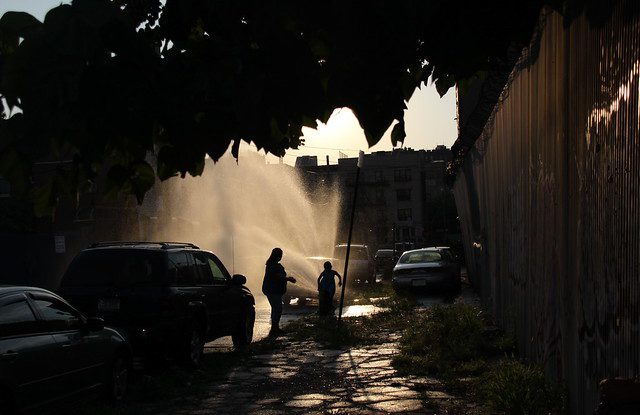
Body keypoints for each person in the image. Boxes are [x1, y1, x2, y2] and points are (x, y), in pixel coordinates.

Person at [262, 247, 296, 336]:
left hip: (272, 290)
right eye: (280, 255)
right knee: (277, 309)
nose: (281, 256)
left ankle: (275, 328)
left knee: (276, 309)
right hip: (273, 290)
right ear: (277, 255)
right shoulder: (274, 265)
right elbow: (277, 276)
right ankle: (274, 329)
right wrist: (288, 279)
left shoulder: (272, 264)